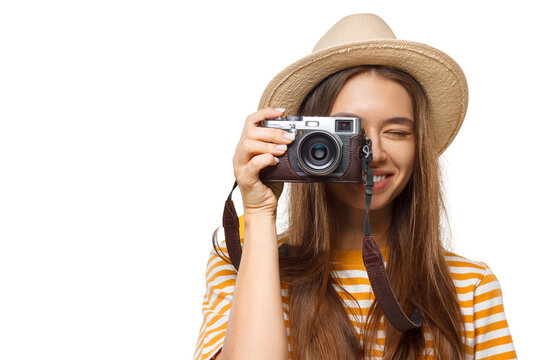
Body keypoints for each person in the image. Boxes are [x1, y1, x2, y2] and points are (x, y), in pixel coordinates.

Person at [193, 14, 516, 360]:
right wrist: (258, 215)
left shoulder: (470, 287)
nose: (372, 152)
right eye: (350, 131)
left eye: (397, 132)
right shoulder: (242, 263)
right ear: (300, 139)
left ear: (419, 146)